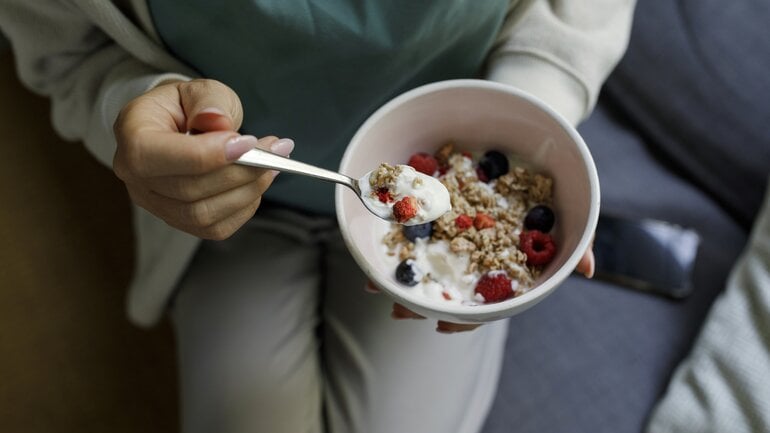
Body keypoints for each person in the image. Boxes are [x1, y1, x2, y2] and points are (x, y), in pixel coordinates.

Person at [0, 1, 635, 432]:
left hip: (456, 177)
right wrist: (139, 112)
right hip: (239, 211)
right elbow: (68, 49)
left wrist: (528, 109)